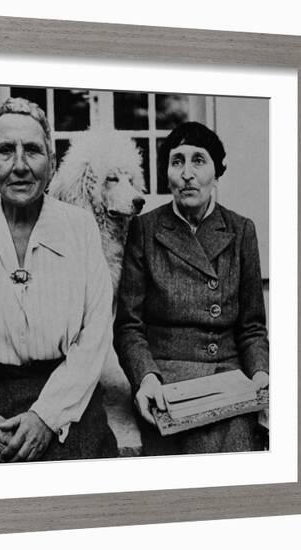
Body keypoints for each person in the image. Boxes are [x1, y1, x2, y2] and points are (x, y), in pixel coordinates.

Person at [0, 97, 117, 465]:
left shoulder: (79, 229)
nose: (19, 165)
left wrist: (46, 417)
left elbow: (95, 333)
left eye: (32, 151)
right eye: (5, 151)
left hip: (66, 396)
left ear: (51, 164)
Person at [114, 121, 269, 455]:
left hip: (228, 379)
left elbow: (252, 327)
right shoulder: (145, 229)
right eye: (177, 161)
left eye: (198, 160)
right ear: (167, 172)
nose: (187, 173)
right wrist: (146, 378)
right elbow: (129, 326)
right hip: (165, 381)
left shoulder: (241, 230)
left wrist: (259, 374)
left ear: (217, 172)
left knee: (238, 452)